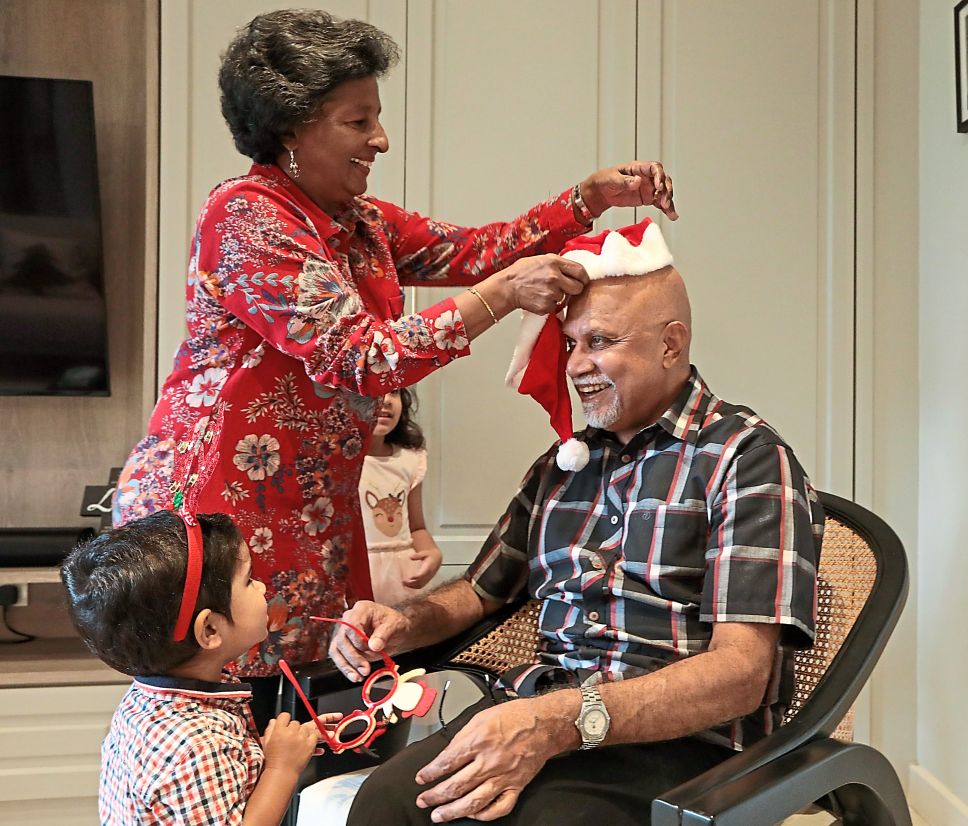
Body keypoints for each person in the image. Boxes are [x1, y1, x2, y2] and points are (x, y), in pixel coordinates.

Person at [110, 7, 678, 728]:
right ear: (290, 127)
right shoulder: (247, 220)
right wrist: (500, 298)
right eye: (358, 122)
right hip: (221, 525)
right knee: (231, 737)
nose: (380, 139)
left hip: (307, 516)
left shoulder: (361, 222)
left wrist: (588, 199)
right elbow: (362, 356)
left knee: (311, 729)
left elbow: (474, 251)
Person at [328, 223, 825, 825]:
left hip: (677, 747)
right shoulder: (561, 467)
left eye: (600, 341)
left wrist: (562, 722)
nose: (576, 365)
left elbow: (742, 674)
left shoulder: (745, 458)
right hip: (537, 707)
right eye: (570, 344)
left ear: (672, 344)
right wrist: (399, 626)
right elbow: (480, 591)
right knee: (386, 803)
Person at [61, 511, 334, 825]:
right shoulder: (199, 745)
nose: (260, 588)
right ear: (210, 630)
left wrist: (267, 752)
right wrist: (281, 768)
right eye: (247, 581)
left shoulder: (148, 702)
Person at [361, 387, 442, 607]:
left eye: (394, 391)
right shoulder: (338, 462)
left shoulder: (410, 460)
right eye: (375, 389)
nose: (386, 400)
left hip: (402, 580)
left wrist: (432, 553)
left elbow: (416, 527)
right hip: (358, 577)